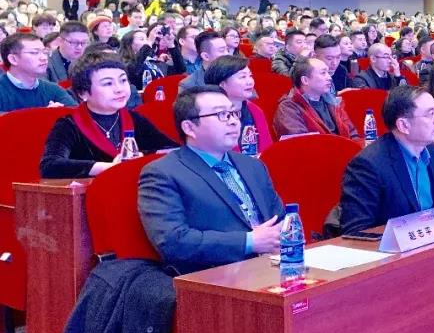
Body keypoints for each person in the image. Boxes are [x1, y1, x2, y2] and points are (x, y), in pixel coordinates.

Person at [138, 86, 286, 274]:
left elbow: (279, 218)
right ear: (189, 127)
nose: (233, 121)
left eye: (234, 113)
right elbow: (173, 241)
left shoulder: (253, 165)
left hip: (272, 266)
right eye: (221, 115)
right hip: (215, 275)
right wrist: (249, 242)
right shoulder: (163, 173)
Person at [40, 55, 177, 178]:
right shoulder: (69, 125)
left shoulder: (135, 119)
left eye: (123, 80)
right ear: (83, 93)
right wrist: (110, 167)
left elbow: (170, 149)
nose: (119, 89)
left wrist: (143, 156)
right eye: (108, 83)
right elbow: (50, 165)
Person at [337, 87, 434, 234]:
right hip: (392, 245)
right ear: (403, 125)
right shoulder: (369, 165)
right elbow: (355, 233)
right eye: (430, 114)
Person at [274, 57, 359, 139]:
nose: (329, 78)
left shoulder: (333, 103)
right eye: (323, 73)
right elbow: (300, 144)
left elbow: (353, 135)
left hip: (345, 148)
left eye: (328, 73)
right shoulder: (289, 107)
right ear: (305, 80)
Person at [204, 55, 273, 153]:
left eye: (250, 76)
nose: (250, 82)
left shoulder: (255, 110)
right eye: (242, 77)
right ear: (222, 84)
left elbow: (268, 150)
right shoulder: (209, 116)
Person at [0, 33, 77, 113]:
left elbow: (76, 114)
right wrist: (43, 115)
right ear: (13, 59)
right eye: (34, 53)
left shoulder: (53, 89)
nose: (44, 58)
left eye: (44, 52)